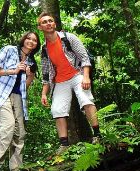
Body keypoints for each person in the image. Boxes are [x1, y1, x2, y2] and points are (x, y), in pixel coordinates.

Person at [37, 11, 100, 154]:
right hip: (60, 81)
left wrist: (86, 77)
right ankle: (64, 145)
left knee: (86, 100)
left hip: (77, 74)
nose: (48, 23)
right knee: (57, 109)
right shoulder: (44, 49)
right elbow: (46, 73)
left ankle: (97, 135)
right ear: (40, 27)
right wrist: (44, 93)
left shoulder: (68, 38)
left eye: (50, 21)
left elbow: (84, 58)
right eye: (44, 22)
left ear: (54, 23)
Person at [0, 31, 39, 171]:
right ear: (23, 39)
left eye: (34, 40)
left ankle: (16, 169)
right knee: (7, 125)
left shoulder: (31, 62)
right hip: (1, 92)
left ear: (36, 45)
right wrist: (14, 70)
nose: (31, 41)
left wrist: (29, 74)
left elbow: (25, 86)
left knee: (20, 133)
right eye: (29, 38)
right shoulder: (9, 50)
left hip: (18, 96)